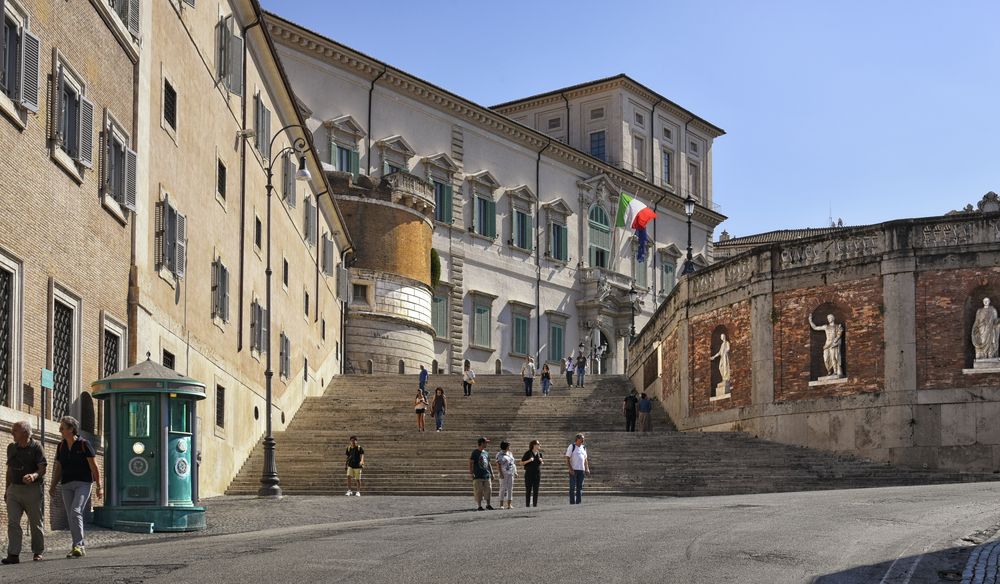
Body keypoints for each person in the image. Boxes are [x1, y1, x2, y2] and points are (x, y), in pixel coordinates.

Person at [49, 416, 101, 559]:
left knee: (75, 511)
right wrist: (53, 485)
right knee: (71, 515)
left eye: (62, 428)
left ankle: (79, 545)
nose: (60, 430)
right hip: (66, 484)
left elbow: (94, 466)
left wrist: (99, 486)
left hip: (83, 483)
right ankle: (76, 546)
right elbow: (58, 468)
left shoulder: (84, 444)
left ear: (71, 429)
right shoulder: (61, 446)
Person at [4, 420, 46, 563]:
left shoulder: (36, 447)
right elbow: (9, 470)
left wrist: (33, 476)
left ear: (25, 433)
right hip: (14, 490)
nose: (12, 433)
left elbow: (42, 469)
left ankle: (38, 551)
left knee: (35, 522)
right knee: (13, 522)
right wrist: (7, 489)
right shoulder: (11, 448)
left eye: (15, 430)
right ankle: (13, 554)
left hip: (32, 490)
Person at [469, 437, 494, 511]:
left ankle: (488, 504)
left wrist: (492, 473)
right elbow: (471, 463)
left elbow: (489, 463)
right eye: (486, 442)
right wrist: (471, 472)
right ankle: (479, 506)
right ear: (482, 443)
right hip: (478, 475)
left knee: (489, 490)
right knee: (478, 491)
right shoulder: (475, 452)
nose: (487, 444)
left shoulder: (486, 452)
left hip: (486, 474)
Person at [564, 433, 590, 505]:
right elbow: (567, 459)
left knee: (580, 487)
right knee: (572, 487)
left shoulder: (583, 447)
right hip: (573, 470)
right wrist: (570, 469)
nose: (583, 440)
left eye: (583, 438)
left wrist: (587, 469)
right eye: (582, 438)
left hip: (581, 470)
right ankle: (572, 502)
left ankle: (578, 502)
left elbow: (585, 459)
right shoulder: (572, 446)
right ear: (577, 439)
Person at [520, 440, 543, 508]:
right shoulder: (528, 453)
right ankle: (527, 505)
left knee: (536, 490)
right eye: (538, 444)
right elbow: (521, 463)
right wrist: (529, 460)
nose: (539, 445)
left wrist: (541, 461)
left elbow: (541, 463)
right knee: (528, 490)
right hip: (529, 474)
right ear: (534, 445)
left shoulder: (540, 454)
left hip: (537, 474)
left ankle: (535, 505)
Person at [495, 441, 517, 509]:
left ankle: (509, 504)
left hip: (510, 473)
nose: (509, 447)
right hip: (504, 473)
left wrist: (515, 471)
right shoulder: (499, 454)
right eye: (508, 446)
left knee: (510, 488)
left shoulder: (510, 453)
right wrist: (500, 473)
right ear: (505, 447)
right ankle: (501, 504)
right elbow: (498, 464)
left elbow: (513, 463)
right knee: (502, 489)